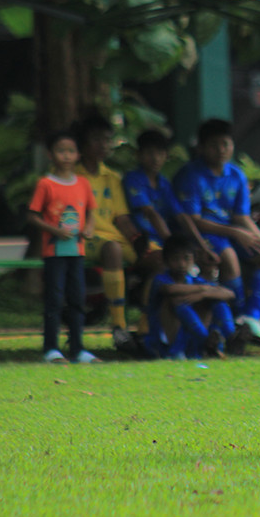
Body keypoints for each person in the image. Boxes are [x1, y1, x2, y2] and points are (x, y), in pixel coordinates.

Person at [173, 118, 260, 346]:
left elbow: (242, 216)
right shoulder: (191, 175)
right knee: (229, 257)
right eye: (214, 145)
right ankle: (235, 319)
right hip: (202, 236)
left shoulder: (236, 175)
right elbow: (194, 221)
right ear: (201, 147)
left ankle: (251, 317)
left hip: (231, 233)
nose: (221, 150)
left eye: (226, 144)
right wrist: (236, 232)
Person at [76, 115, 163, 354]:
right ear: (82, 143)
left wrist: (137, 240)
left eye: (107, 140)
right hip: (86, 237)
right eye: (96, 139)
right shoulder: (72, 174)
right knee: (112, 249)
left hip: (113, 236)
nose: (103, 145)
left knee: (163, 259)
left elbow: (122, 218)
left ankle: (145, 330)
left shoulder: (112, 177)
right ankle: (119, 327)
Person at [27, 130, 100, 364]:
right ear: (50, 154)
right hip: (54, 253)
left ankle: (78, 348)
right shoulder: (45, 184)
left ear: (78, 154)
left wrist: (89, 228)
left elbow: (91, 211)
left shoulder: (83, 183)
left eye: (70, 151)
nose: (66, 156)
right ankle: (51, 348)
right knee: (54, 299)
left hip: (77, 252)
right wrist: (55, 231)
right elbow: (33, 215)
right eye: (61, 150)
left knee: (78, 298)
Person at [123, 130, 219, 263]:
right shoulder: (133, 179)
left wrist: (202, 246)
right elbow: (150, 213)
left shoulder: (164, 183)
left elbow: (181, 217)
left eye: (160, 153)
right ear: (138, 155)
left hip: (164, 242)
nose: (156, 158)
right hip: (141, 243)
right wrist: (173, 246)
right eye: (150, 153)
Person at [145, 234, 247, 359]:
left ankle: (230, 336)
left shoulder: (193, 280)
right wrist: (203, 289)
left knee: (216, 301)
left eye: (186, 259)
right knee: (177, 300)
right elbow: (170, 289)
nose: (182, 264)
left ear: (193, 260)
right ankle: (206, 343)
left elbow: (229, 294)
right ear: (166, 261)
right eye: (176, 259)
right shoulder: (161, 279)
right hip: (164, 339)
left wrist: (204, 294)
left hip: (190, 337)